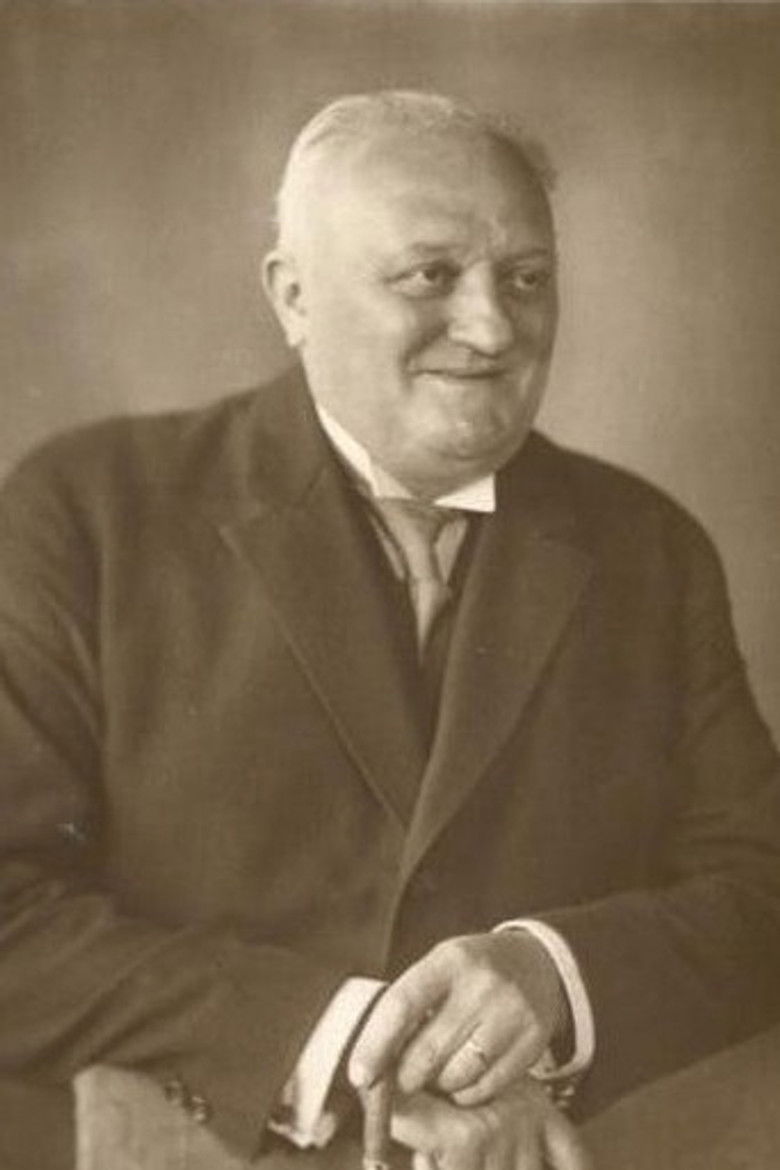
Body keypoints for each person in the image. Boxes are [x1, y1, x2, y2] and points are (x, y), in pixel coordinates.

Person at [0, 90, 779, 1170]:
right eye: (430, 275)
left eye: (526, 278)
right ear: (293, 296)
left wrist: (554, 975)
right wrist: (339, 1040)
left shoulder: (650, 547)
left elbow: (760, 889)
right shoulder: (86, 513)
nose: (492, 328)